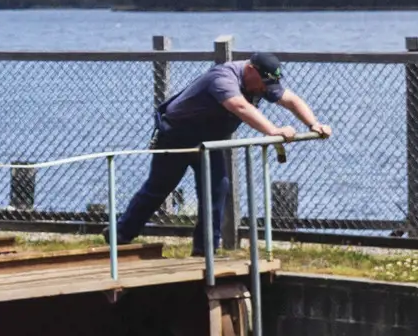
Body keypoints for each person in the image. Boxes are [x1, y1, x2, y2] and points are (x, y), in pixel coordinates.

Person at [109, 54, 330, 251]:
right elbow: (240, 107)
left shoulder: (262, 82)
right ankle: (120, 234)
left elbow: (291, 100)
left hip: (208, 140)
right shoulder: (223, 79)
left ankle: (205, 251)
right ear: (251, 70)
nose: (265, 89)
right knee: (159, 188)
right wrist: (274, 131)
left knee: (217, 189)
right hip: (177, 135)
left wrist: (314, 124)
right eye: (264, 83)